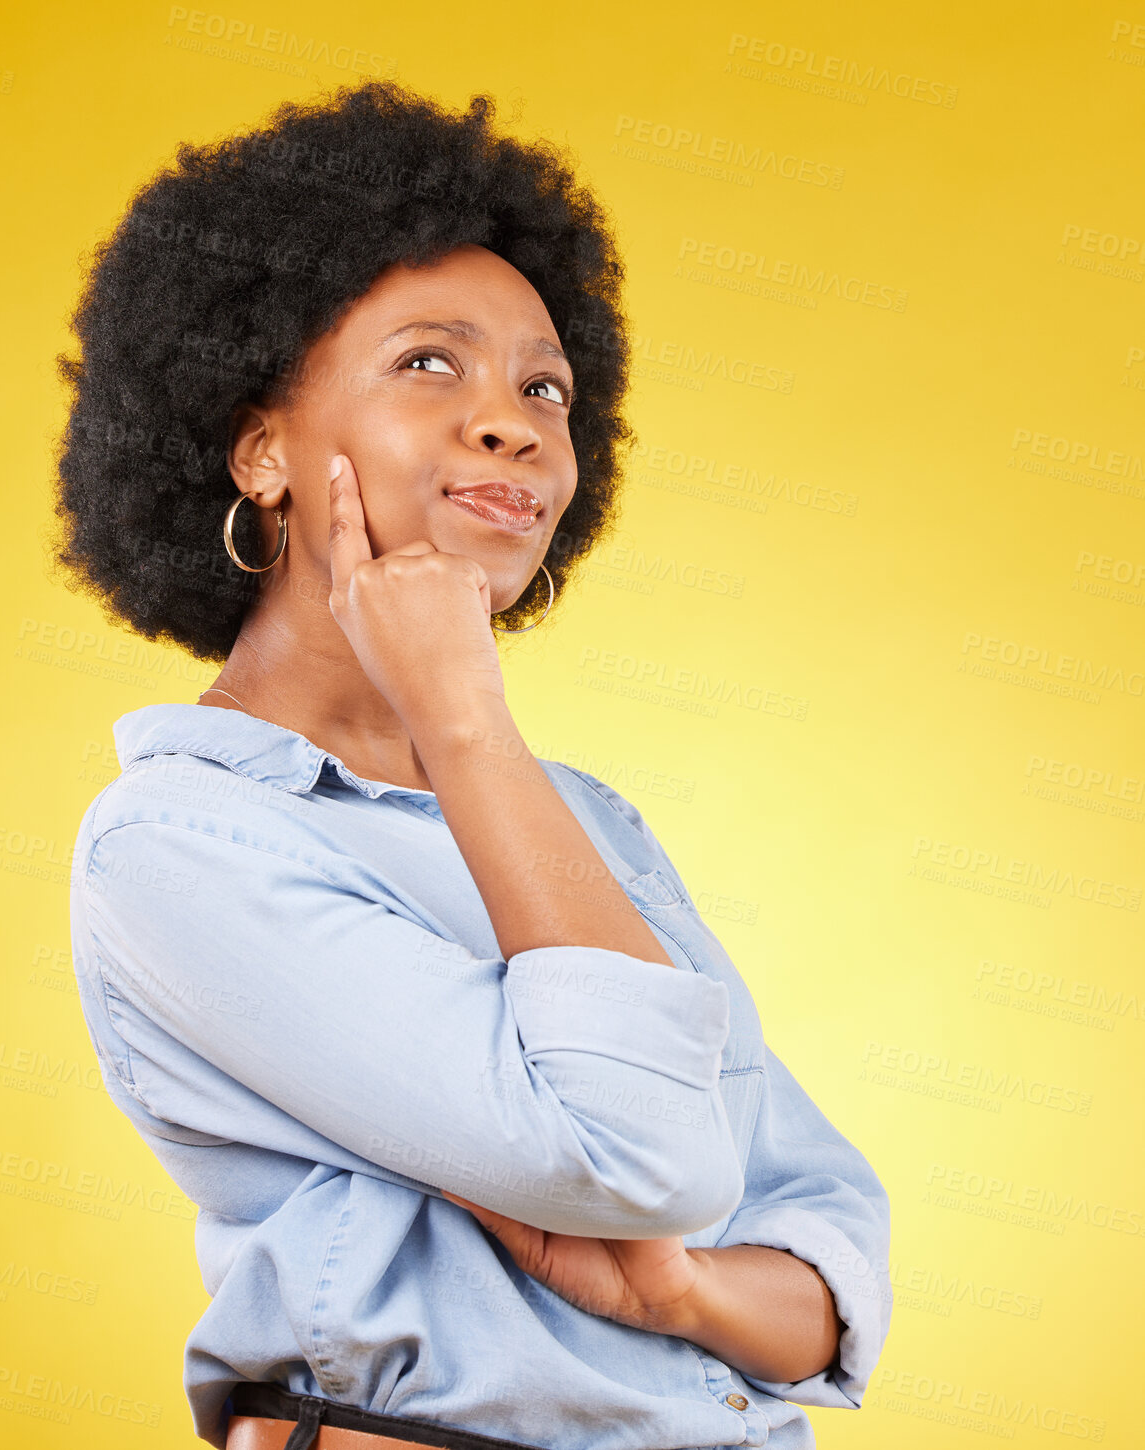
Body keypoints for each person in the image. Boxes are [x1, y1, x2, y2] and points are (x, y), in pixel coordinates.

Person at [56, 78, 892, 1450]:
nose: (512, 420)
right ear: (261, 444)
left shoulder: (583, 822)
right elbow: (642, 1153)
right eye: (429, 363)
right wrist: (460, 710)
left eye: (544, 385)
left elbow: (826, 1244)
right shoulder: (179, 844)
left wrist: (683, 1292)